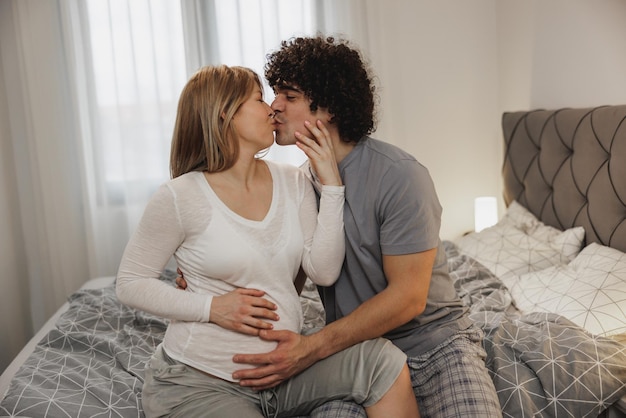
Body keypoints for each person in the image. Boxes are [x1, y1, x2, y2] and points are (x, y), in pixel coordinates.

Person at [177, 37, 502, 417]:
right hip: (351, 353)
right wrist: (207, 282)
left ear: (327, 108)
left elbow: (409, 298)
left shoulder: (399, 176)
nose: (274, 106)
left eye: (289, 96)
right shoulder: (293, 187)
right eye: (273, 94)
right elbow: (281, 278)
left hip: (432, 345)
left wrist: (311, 348)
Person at [116, 64, 419, 417]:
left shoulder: (292, 182)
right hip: (201, 383)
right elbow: (130, 283)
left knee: (383, 362)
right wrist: (212, 308)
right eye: (260, 99)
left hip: (283, 373)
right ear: (225, 113)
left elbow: (322, 271)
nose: (272, 108)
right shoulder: (179, 197)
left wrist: (333, 187)